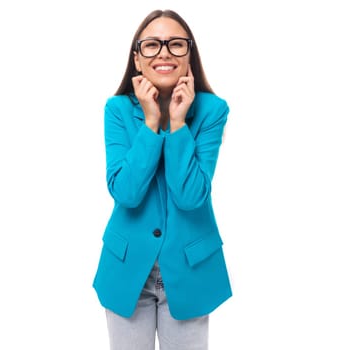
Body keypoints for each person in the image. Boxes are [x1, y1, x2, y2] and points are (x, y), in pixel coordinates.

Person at [92, 9, 232, 350]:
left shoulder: (212, 110)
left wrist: (178, 123)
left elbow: (190, 195)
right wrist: (151, 122)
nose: (165, 52)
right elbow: (125, 192)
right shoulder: (118, 110)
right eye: (152, 45)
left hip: (189, 269)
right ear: (137, 60)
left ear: (190, 56)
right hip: (128, 272)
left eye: (176, 45)